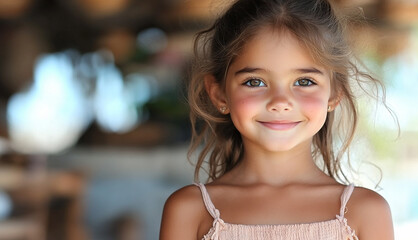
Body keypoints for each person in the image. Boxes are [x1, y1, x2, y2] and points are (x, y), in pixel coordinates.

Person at [160, 0, 394, 239]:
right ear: (219, 93)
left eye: (304, 82)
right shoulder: (190, 210)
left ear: (334, 93)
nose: (280, 102)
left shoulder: (365, 213)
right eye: (255, 82)